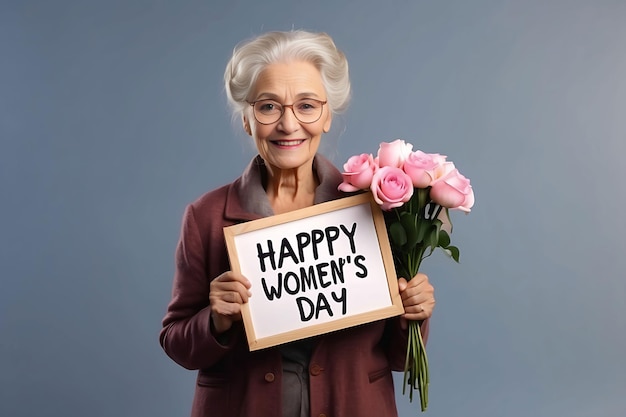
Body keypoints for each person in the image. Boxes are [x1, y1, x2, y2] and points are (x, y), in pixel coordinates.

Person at [159, 30, 436, 417]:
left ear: (326, 116)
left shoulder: (377, 209)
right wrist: (216, 320)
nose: (289, 125)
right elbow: (176, 342)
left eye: (306, 106)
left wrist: (413, 316)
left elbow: (399, 357)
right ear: (246, 120)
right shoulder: (204, 217)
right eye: (269, 107)